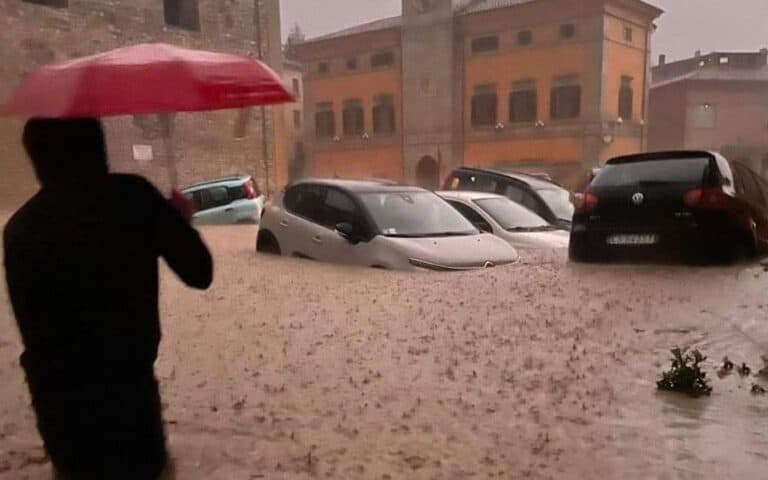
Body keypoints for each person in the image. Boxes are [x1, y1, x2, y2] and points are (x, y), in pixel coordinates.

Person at [3, 118, 213, 479]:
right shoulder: (133, 198)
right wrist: (179, 224)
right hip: (130, 407)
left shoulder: (20, 228)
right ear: (97, 147)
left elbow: (33, 334)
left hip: (59, 417)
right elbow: (199, 272)